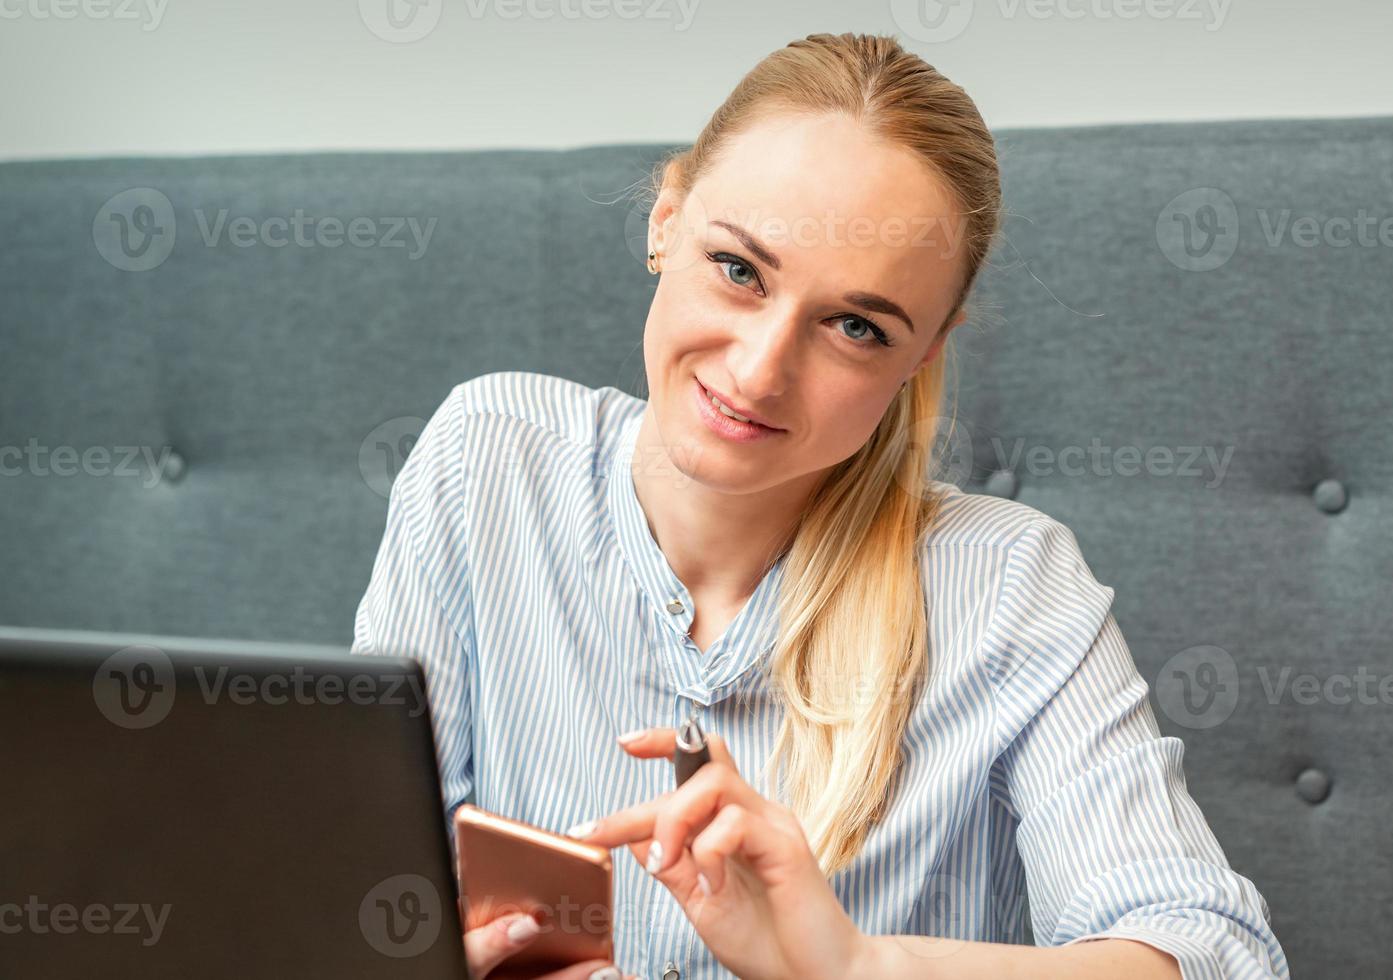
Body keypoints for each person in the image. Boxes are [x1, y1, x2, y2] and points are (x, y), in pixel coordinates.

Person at [350, 31, 1290, 980]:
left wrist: (853, 967)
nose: (758, 373)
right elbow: (363, 887)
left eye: (855, 327)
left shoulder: (1008, 585)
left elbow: (1215, 957)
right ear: (667, 219)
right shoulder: (488, 458)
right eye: (740, 269)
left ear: (924, 352)